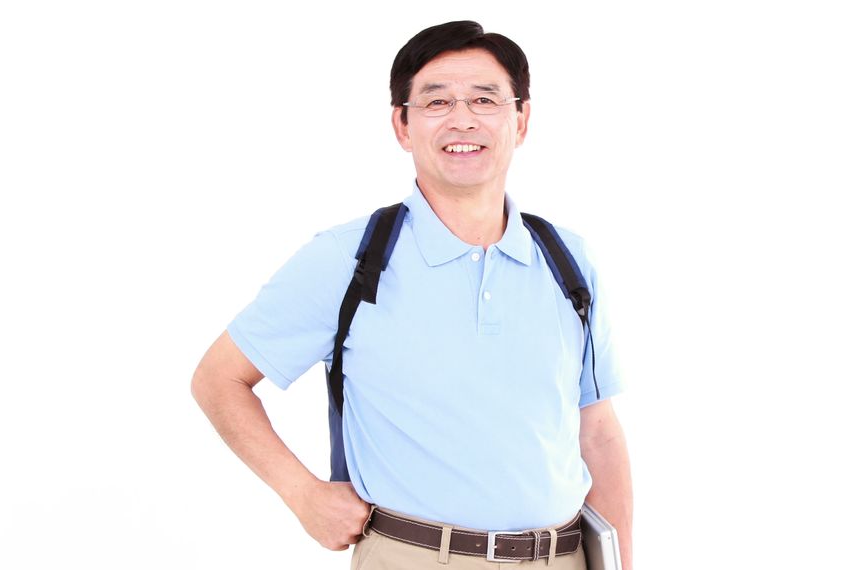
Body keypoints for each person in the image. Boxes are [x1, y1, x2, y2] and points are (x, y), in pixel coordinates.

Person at [191, 20, 633, 569]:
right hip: (415, 556)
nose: (462, 119)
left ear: (521, 120)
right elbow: (219, 379)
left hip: (563, 557)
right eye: (436, 102)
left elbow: (600, 433)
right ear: (402, 125)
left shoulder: (570, 261)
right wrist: (302, 494)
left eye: (485, 99)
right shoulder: (347, 258)